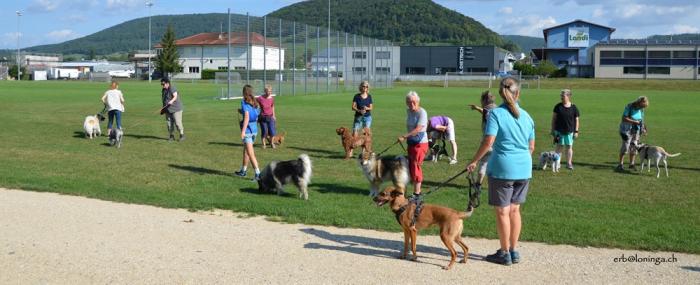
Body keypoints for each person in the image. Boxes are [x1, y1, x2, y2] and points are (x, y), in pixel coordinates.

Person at [466, 77, 535, 266]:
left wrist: (474, 161)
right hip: (524, 168)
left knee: (503, 212)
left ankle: (504, 253)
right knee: (515, 210)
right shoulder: (527, 116)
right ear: (518, 93)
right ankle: (513, 250)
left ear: (500, 94)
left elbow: (488, 141)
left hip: (503, 168)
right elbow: (531, 147)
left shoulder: (495, 114)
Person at [398, 91, 428, 201]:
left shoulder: (422, 113)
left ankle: (417, 194)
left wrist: (404, 136)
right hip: (411, 142)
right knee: (411, 166)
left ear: (418, 101)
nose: (412, 104)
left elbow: (418, 129)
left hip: (420, 144)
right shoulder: (409, 112)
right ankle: (413, 192)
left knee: (416, 167)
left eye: (414, 101)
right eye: (409, 102)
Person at [468, 90, 497, 185]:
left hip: (488, 142)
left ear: (484, 100)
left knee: (483, 163)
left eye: (481, 100)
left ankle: (478, 184)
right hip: (499, 143)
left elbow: (487, 115)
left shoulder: (488, 112)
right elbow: (485, 112)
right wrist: (477, 108)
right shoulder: (497, 109)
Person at [234, 84, 262, 181]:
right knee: (246, 151)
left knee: (250, 153)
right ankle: (243, 171)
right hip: (254, 130)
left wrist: (243, 132)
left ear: (244, 93)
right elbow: (255, 114)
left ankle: (258, 174)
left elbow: (247, 117)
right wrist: (241, 111)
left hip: (248, 131)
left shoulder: (244, 102)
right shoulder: (255, 102)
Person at [616, 96, 649, 172]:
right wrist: (634, 122)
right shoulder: (629, 106)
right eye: (642, 106)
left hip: (636, 130)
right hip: (626, 129)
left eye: (643, 107)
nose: (642, 108)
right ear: (639, 102)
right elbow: (624, 118)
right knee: (625, 147)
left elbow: (641, 120)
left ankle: (632, 164)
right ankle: (620, 165)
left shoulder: (641, 109)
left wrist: (644, 128)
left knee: (634, 146)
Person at [551, 89, 580, 170]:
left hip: (570, 131)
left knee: (569, 147)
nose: (561, 97)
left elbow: (577, 120)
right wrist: (553, 130)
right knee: (559, 147)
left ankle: (569, 163)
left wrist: (576, 131)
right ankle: (557, 164)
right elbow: (553, 119)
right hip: (559, 131)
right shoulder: (557, 106)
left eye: (563, 96)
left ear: (568, 96)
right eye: (561, 96)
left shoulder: (574, 107)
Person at [256, 84, 277, 148]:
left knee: (272, 131)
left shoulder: (272, 99)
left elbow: (272, 106)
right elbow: (255, 104)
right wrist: (257, 112)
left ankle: (272, 143)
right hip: (263, 117)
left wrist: (274, 115)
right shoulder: (260, 98)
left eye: (270, 91)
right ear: (265, 91)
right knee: (264, 131)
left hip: (270, 117)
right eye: (268, 91)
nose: (269, 93)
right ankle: (264, 144)